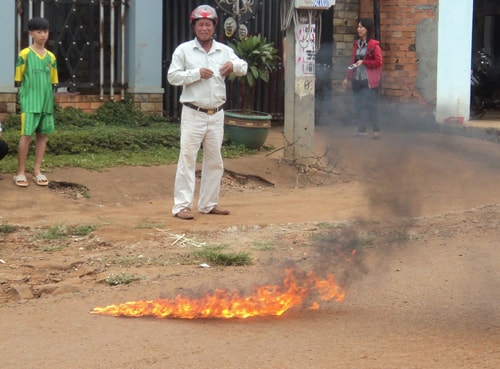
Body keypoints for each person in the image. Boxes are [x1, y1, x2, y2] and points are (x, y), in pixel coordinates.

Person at [167, 5, 247, 220]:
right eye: (200, 24)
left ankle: (208, 204)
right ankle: (181, 206)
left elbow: (243, 66)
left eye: (208, 24)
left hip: (217, 113)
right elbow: (172, 77)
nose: (204, 28)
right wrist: (195, 74)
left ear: (214, 27)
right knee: (187, 159)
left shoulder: (223, 50)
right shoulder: (183, 50)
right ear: (194, 26)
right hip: (193, 112)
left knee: (214, 160)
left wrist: (233, 66)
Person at [14, 17, 58, 187]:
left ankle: (37, 170)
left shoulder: (51, 57)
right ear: (31, 33)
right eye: (39, 31)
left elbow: (53, 81)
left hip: (45, 102)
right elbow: (19, 79)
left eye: (45, 31)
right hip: (30, 101)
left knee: (42, 135)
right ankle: (20, 172)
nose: (43, 35)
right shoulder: (24, 54)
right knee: (26, 135)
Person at [342, 18, 383, 139]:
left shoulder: (374, 45)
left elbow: (378, 62)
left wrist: (364, 62)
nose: (358, 29)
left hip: (369, 81)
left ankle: (376, 131)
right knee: (359, 105)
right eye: (358, 27)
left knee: (371, 106)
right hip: (357, 79)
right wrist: (347, 78)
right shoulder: (357, 44)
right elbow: (353, 62)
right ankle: (361, 131)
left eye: (361, 27)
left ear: (367, 29)